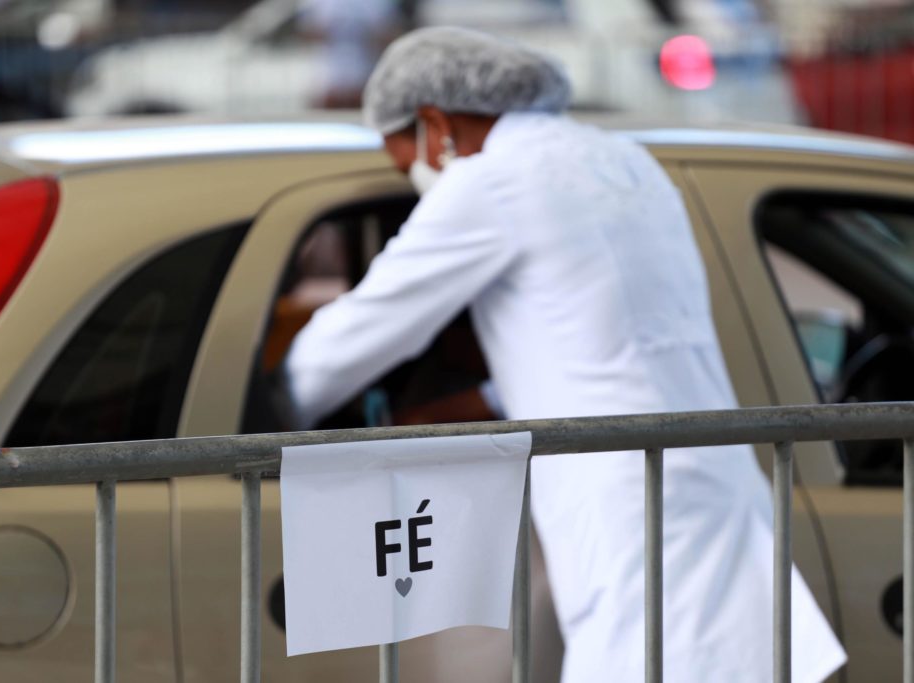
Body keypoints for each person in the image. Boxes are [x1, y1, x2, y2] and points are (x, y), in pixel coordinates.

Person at [281, 26, 846, 682]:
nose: (411, 178)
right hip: (715, 484)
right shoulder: (624, 159)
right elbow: (603, 335)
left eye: (401, 157)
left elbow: (356, 336)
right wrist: (485, 401)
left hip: (630, 508)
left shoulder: (491, 183)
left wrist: (265, 407)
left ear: (435, 125)